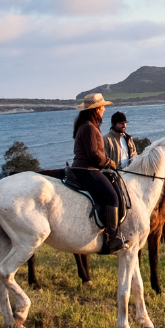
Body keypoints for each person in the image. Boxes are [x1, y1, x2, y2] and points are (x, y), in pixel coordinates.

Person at [70, 93, 125, 254]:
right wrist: (110, 162)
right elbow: (94, 155)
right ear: (95, 110)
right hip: (87, 169)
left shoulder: (85, 125)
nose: (103, 110)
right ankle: (113, 238)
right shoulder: (89, 127)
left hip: (82, 167)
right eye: (102, 107)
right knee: (112, 197)